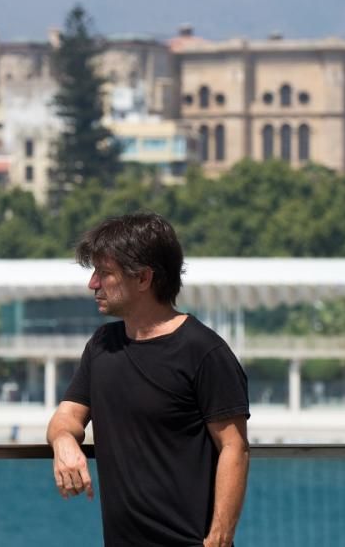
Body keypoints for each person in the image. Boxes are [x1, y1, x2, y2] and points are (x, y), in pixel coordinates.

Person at [46, 212, 250, 546]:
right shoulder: (102, 345)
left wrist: (220, 537)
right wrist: (64, 442)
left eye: (105, 273)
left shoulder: (204, 351)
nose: (93, 284)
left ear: (143, 278)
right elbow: (67, 417)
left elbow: (234, 447)